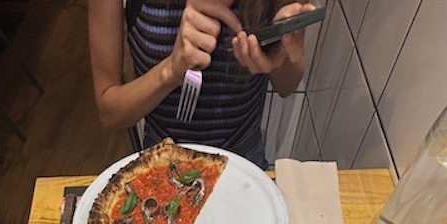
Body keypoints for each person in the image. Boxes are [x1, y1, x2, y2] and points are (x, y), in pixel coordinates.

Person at [87, 0, 316, 168]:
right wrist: (171, 69)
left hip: (245, 159)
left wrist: (283, 52)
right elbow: (110, 112)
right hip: (163, 160)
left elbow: (286, 86)